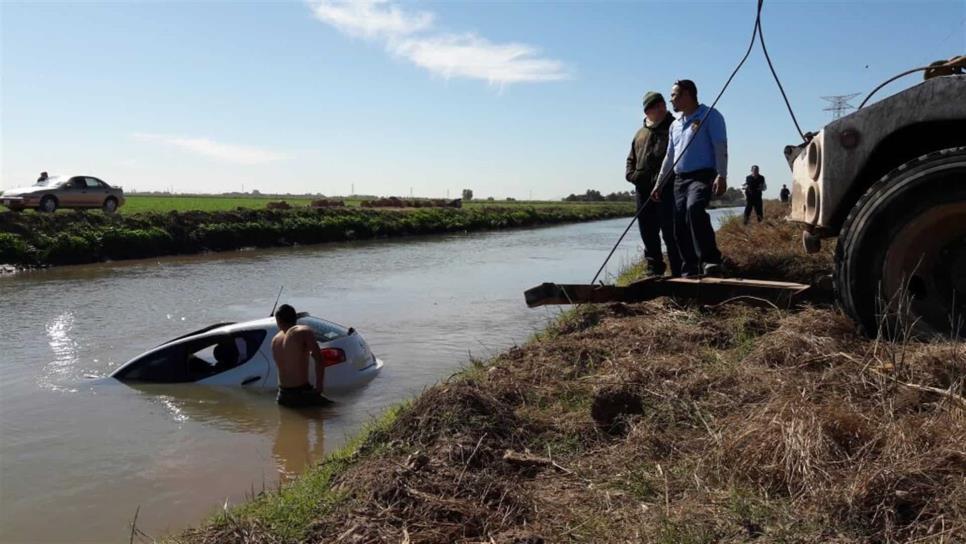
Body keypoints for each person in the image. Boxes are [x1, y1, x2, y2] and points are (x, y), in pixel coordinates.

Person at [653, 79, 727, 276]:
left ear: (687, 95)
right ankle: (690, 267)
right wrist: (659, 184)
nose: (671, 101)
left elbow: (720, 146)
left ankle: (711, 260)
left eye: (674, 96)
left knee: (694, 209)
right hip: (680, 179)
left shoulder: (710, 115)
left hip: (702, 175)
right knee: (679, 223)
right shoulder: (675, 125)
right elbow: (669, 157)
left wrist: (722, 174)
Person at [625, 91, 682, 277]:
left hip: (667, 188)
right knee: (647, 230)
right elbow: (630, 159)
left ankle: (678, 269)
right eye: (656, 106)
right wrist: (632, 175)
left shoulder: (675, 127)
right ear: (647, 110)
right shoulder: (640, 133)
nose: (662, 108)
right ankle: (654, 268)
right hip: (642, 190)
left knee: (670, 230)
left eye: (663, 104)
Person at [271, 304, 332, 408]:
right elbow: (319, 359)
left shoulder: (275, 340)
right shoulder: (303, 331)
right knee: (339, 412)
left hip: (282, 395)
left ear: (278, 320)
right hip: (301, 393)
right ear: (295, 318)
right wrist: (319, 388)